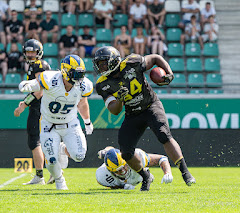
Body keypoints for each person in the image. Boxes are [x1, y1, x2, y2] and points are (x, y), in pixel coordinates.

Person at [93, 46, 196, 191]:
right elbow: (114, 111)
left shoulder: (131, 63)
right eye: (99, 64)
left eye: (103, 63)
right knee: (126, 152)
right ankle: (145, 176)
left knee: (163, 134)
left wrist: (169, 73)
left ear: (113, 61)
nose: (101, 67)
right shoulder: (102, 84)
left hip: (150, 105)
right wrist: (120, 99)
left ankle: (185, 173)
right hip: (132, 113)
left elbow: (155, 58)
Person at [16, 54, 94, 190]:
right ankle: (60, 180)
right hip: (49, 125)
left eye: (80, 73)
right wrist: (27, 85)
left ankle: (63, 149)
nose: (78, 77)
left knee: (79, 156)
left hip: (71, 124)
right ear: (65, 72)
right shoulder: (50, 79)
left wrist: (87, 121)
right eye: (75, 73)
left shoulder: (84, 85)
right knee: (51, 160)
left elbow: (82, 103)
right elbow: (37, 85)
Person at [13, 39, 51, 185]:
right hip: (40, 107)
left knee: (35, 141)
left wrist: (23, 105)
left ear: (38, 52)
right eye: (28, 52)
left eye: (32, 52)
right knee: (41, 140)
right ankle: (50, 173)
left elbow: (39, 91)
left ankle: (40, 176)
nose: (30, 54)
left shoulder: (39, 65)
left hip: (40, 108)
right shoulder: (35, 65)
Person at [96, 146, 173, 189]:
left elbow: (162, 158)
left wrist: (167, 173)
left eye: (124, 167)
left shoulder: (137, 157)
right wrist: (121, 187)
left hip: (138, 176)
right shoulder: (102, 175)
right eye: (118, 171)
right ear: (110, 171)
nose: (123, 171)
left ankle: (147, 174)